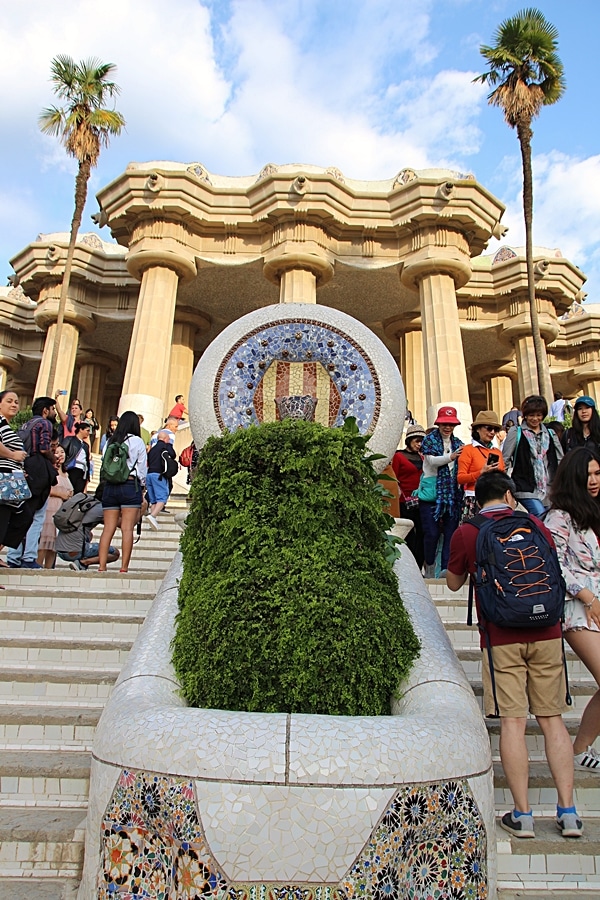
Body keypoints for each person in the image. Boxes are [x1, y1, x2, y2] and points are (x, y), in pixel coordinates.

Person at [447, 470, 583, 839]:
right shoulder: (536, 525)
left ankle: (522, 815)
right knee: (552, 719)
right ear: (509, 496)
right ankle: (568, 812)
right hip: (547, 632)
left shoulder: (468, 532)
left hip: (501, 636)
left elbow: (453, 582)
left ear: (479, 499)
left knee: (513, 723)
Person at [545, 447, 600, 772]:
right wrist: (586, 596)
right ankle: (580, 748)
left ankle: (583, 746)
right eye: (587, 475)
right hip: (577, 608)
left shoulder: (594, 514)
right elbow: (555, 563)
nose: (593, 481)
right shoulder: (560, 516)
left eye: (597, 473)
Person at [8, 396, 58, 569]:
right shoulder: (44, 424)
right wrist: (54, 458)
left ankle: (13, 556)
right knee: (36, 516)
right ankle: (29, 556)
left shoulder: (25, 425)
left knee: (22, 513)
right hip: (38, 469)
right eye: (52, 409)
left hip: (24, 467)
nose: (54, 413)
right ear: (45, 411)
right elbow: (44, 448)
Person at [98, 410, 147, 573]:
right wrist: (142, 488)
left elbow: (103, 463)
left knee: (108, 529)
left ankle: (102, 566)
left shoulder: (110, 441)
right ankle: (124, 567)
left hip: (110, 487)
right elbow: (142, 469)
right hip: (129, 485)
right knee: (127, 528)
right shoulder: (138, 442)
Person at [419, 406, 464, 578]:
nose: (447, 427)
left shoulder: (459, 444)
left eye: (451, 424)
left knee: (451, 534)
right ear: (438, 423)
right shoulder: (429, 441)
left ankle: (446, 568)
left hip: (451, 496)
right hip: (431, 494)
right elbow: (431, 461)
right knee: (431, 533)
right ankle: (429, 564)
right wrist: (451, 457)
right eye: (444, 423)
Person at [502, 394, 563, 516]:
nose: (535, 419)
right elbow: (505, 459)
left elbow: (560, 459)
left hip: (549, 488)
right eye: (531, 415)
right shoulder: (516, 432)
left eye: (538, 415)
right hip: (525, 487)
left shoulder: (550, 434)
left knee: (551, 518)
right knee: (540, 514)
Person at [0, 390, 34, 561]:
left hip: (12, 478)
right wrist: (13, 455)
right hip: (3, 478)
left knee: (23, 516)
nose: (14, 404)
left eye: (16, 402)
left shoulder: (6, 426)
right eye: (9, 401)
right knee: (8, 517)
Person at [457, 410, 506, 522]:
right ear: (478, 429)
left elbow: (503, 476)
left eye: (496, 429)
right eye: (489, 428)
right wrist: (480, 473)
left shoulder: (497, 452)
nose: (492, 432)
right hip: (473, 499)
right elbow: (460, 478)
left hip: (495, 499)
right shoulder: (468, 450)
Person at [392, 424, 426, 570]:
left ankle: (418, 565)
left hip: (422, 499)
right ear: (410, 440)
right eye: (416, 440)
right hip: (403, 501)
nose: (419, 444)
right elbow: (394, 477)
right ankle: (408, 565)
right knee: (409, 534)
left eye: (421, 441)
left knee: (423, 533)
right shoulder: (399, 456)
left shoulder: (424, 457)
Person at [55, 495, 120, 570]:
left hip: (60, 551)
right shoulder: (101, 509)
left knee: (89, 534)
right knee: (115, 553)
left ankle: (80, 562)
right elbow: (122, 524)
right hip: (74, 552)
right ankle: (83, 562)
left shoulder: (86, 504)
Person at [37, 445, 73, 569]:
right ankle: (37, 567)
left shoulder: (66, 473)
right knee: (43, 544)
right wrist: (61, 493)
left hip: (60, 512)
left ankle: (48, 570)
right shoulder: (50, 469)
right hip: (49, 509)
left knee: (53, 547)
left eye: (62, 452)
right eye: (56, 452)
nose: (60, 455)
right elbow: (45, 488)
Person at [146, 430, 177, 531]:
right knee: (163, 497)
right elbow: (173, 455)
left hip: (149, 475)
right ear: (165, 439)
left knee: (153, 500)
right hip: (158, 475)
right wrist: (168, 446)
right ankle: (152, 516)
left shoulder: (153, 449)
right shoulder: (165, 447)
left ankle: (152, 520)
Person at [62, 421, 92, 495]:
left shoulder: (86, 445)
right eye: (87, 430)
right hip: (72, 468)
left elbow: (87, 460)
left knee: (78, 494)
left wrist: (88, 475)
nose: (89, 433)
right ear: (81, 430)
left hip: (82, 471)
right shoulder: (70, 439)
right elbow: (62, 451)